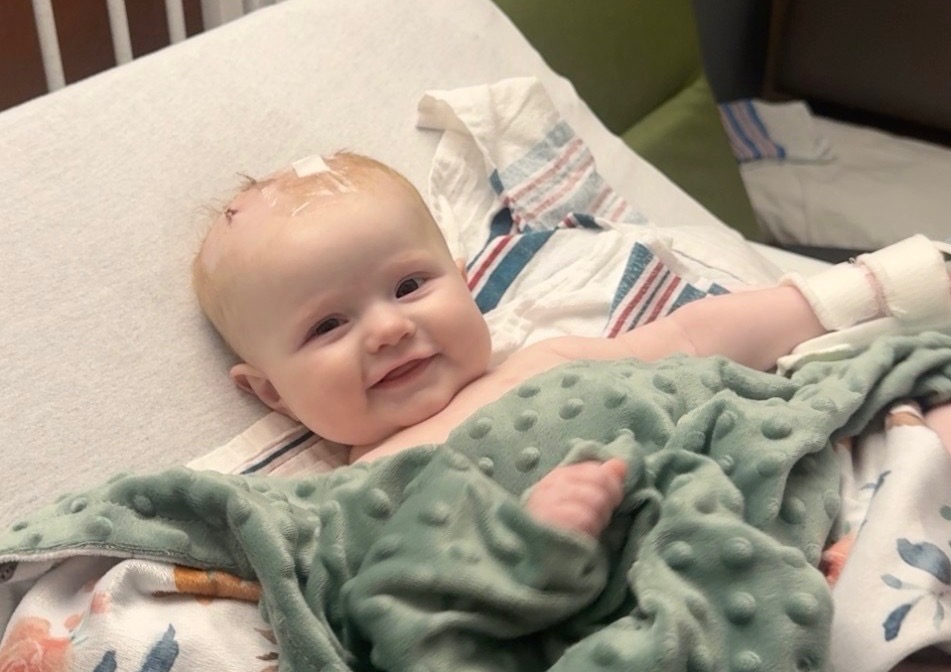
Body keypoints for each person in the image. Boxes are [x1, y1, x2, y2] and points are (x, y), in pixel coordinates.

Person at [191, 150, 951, 544]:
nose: (387, 328)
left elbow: (696, 335)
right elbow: (389, 605)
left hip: (782, 495)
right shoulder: (346, 503)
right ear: (270, 392)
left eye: (410, 285)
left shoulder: (545, 359)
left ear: (464, 281)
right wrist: (526, 544)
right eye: (328, 326)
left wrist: (861, 291)